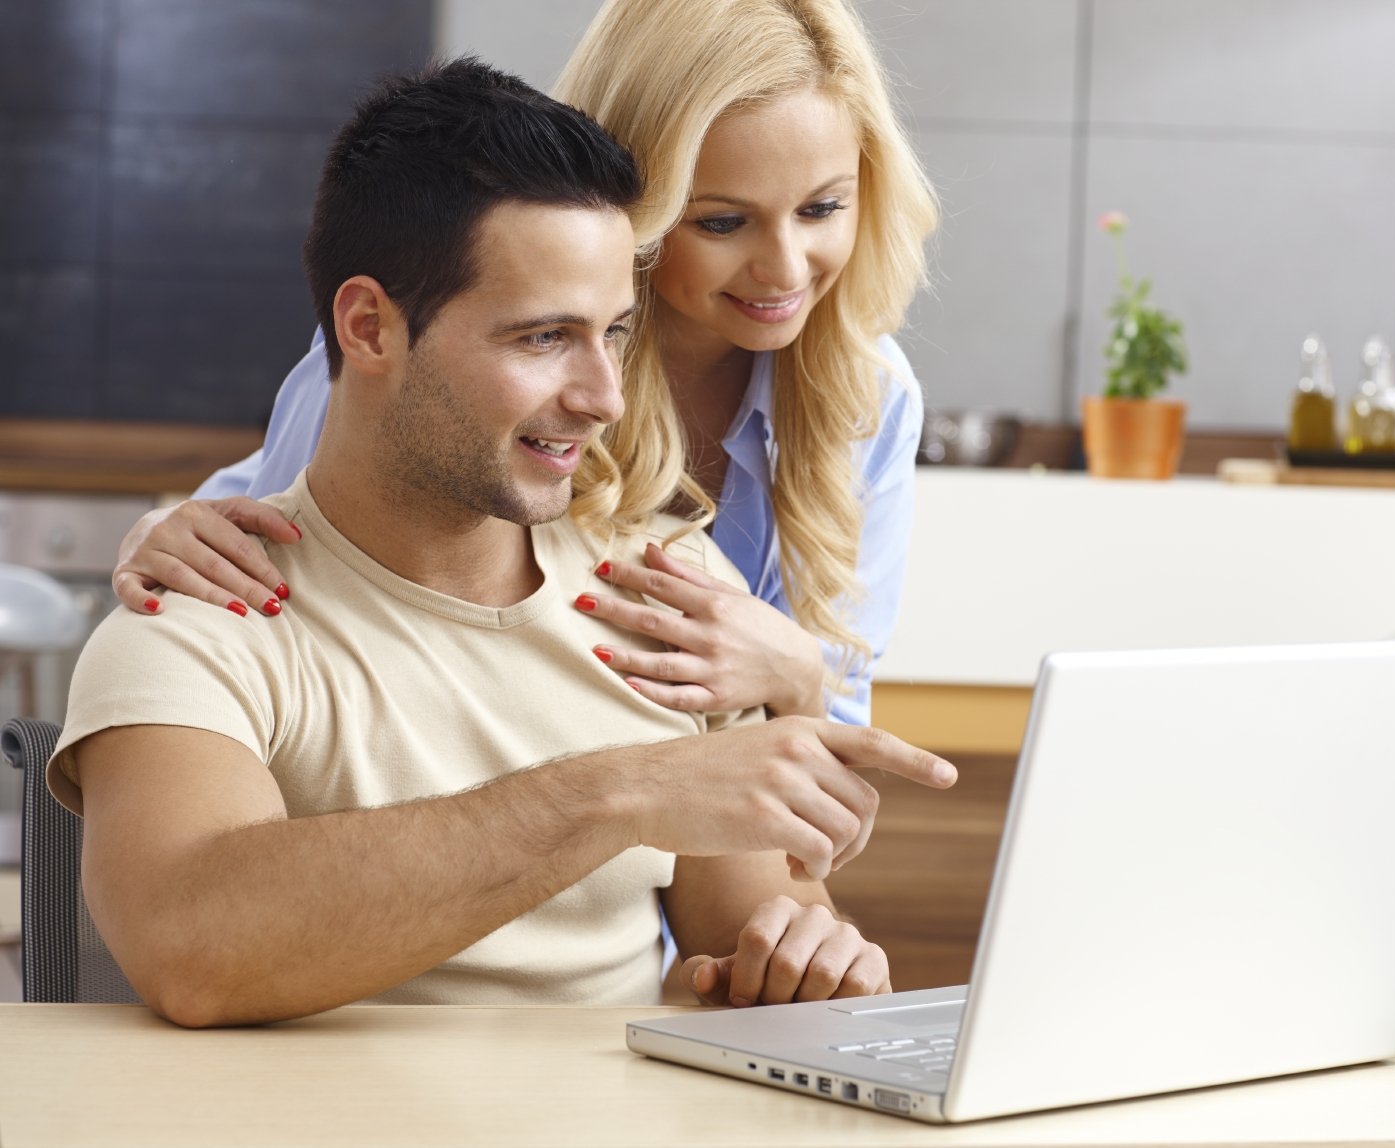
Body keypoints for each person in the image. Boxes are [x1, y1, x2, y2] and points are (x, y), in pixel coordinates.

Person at [50, 58, 955, 1029]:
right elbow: (196, 950)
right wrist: (613, 792)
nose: (605, 395)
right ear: (369, 328)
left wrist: (806, 953)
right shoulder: (194, 621)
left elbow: (748, 928)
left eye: (615, 332)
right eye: (540, 338)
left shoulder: (676, 595)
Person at [111, 0, 938, 729]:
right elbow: (290, 553)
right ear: (629, 209)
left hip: (697, 861)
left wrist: (798, 671)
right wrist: (165, 538)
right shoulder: (441, 352)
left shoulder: (869, 397)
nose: (786, 270)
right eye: (722, 223)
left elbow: (834, 755)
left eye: (823, 208)